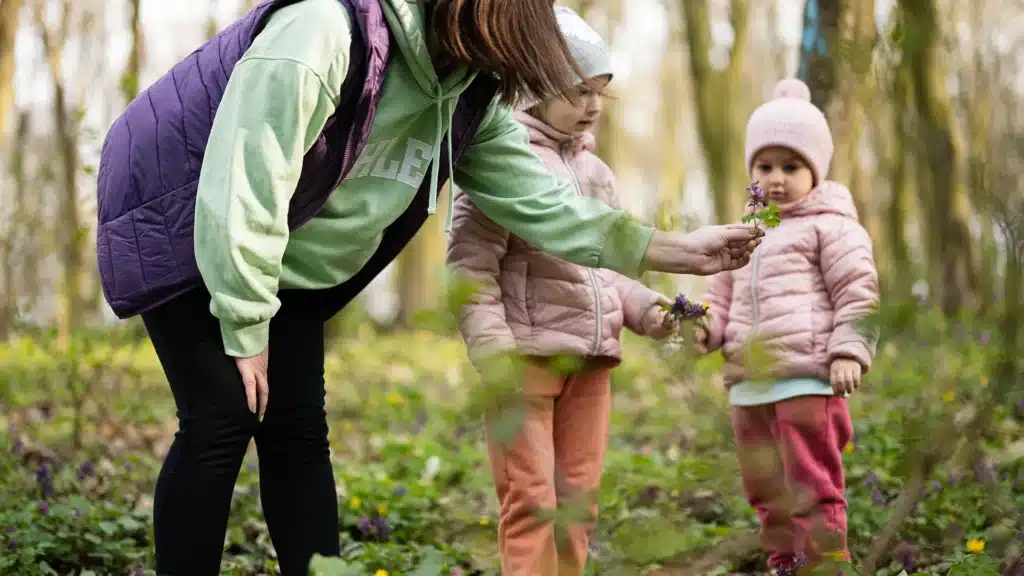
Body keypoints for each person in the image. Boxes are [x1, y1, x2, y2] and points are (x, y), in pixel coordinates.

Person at [95, 0, 762, 573]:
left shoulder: (467, 92)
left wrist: (670, 249)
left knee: (297, 429)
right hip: (183, 218)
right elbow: (245, 180)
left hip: (285, 251)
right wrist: (245, 322)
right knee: (220, 419)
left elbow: (545, 206)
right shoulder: (323, 32)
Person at [446, 8, 678, 574]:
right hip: (524, 360)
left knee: (578, 501)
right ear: (532, 88)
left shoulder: (597, 174)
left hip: (591, 361)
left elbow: (610, 264)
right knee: (531, 499)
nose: (593, 105)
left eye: (600, 92)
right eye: (578, 91)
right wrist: (493, 349)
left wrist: (648, 309)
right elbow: (469, 265)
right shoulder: (500, 162)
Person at [694, 78, 879, 572]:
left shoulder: (832, 225)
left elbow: (858, 293)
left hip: (806, 377)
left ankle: (826, 562)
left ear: (815, 170)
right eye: (764, 166)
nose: (776, 179)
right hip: (750, 387)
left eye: (791, 166)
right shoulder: (746, 233)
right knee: (767, 488)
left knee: (812, 480)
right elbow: (721, 295)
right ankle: (784, 562)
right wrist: (704, 329)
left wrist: (848, 351)